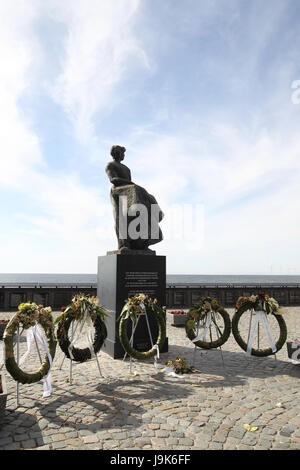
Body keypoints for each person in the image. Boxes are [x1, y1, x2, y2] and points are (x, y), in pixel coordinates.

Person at [105, 145, 163, 252]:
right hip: (118, 191)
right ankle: (123, 244)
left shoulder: (127, 169)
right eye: (122, 153)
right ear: (116, 153)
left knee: (148, 199)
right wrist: (133, 185)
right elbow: (113, 179)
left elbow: (129, 182)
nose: (123, 155)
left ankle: (141, 244)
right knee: (121, 217)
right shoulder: (110, 165)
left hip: (129, 190)